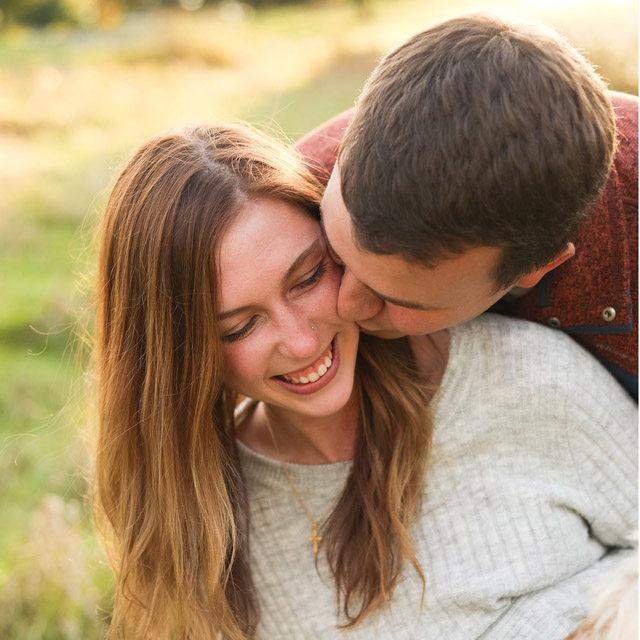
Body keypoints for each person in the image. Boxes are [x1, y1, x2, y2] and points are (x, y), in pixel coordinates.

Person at [94, 122, 637, 640]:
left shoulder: (525, 378)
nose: (303, 343)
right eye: (239, 326)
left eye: (307, 278)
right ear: (176, 358)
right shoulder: (205, 519)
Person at [294, 13, 638, 399]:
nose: (347, 306)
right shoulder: (291, 189)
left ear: (537, 267)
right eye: (335, 256)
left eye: (396, 299)